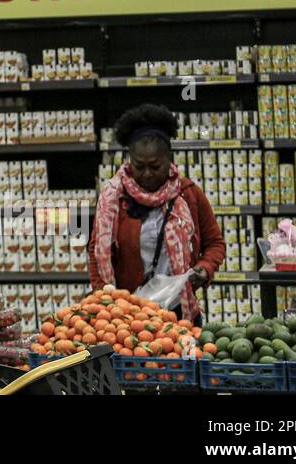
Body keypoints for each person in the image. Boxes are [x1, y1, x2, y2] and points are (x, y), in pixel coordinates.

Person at [88, 103, 225, 325]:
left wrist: (205, 268)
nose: (147, 174)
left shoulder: (188, 195)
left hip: (178, 311)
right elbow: (96, 252)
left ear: (168, 160)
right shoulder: (113, 200)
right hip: (126, 314)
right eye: (139, 166)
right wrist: (103, 295)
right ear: (129, 160)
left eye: (155, 166)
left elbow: (215, 243)